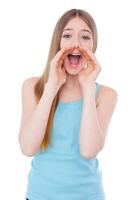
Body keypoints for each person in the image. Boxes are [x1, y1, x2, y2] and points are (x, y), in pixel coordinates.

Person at [18, 8, 118, 200]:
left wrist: (88, 87)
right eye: (68, 35)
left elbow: (88, 150)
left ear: (93, 46)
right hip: (39, 195)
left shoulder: (105, 95)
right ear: (58, 43)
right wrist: (51, 88)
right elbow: (28, 148)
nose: (76, 44)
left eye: (85, 37)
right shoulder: (33, 87)